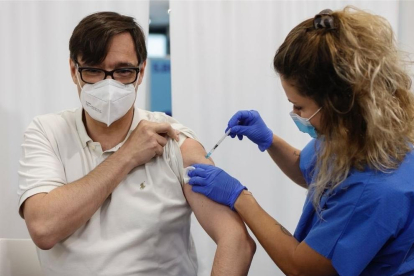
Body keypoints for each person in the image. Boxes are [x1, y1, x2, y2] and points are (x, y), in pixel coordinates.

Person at [17, 12, 255, 276]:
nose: (109, 84)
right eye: (94, 70)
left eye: (123, 71)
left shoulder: (175, 141)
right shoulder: (47, 133)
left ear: (141, 72)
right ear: (74, 70)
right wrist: (127, 154)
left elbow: (237, 243)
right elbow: (43, 229)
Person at [188, 7, 414, 276]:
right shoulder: (351, 133)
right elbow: (310, 171)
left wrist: (240, 197)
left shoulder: (374, 188)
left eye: (299, 106)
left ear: (340, 102)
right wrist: (269, 140)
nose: (294, 114)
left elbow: (303, 268)